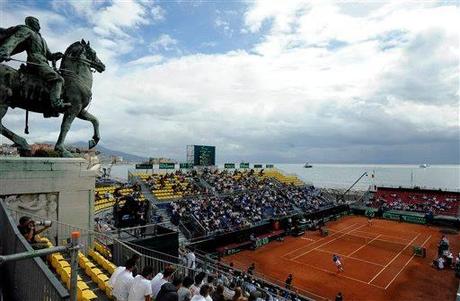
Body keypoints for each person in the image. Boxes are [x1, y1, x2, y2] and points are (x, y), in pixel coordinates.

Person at [0, 16, 69, 110]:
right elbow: (15, 40)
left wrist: (54, 56)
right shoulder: (27, 31)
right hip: (35, 61)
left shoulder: (41, 38)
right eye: (37, 23)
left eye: (39, 23)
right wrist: (4, 52)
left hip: (43, 62)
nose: (39, 26)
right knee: (58, 79)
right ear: (31, 23)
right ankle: (56, 103)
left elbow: (48, 55)